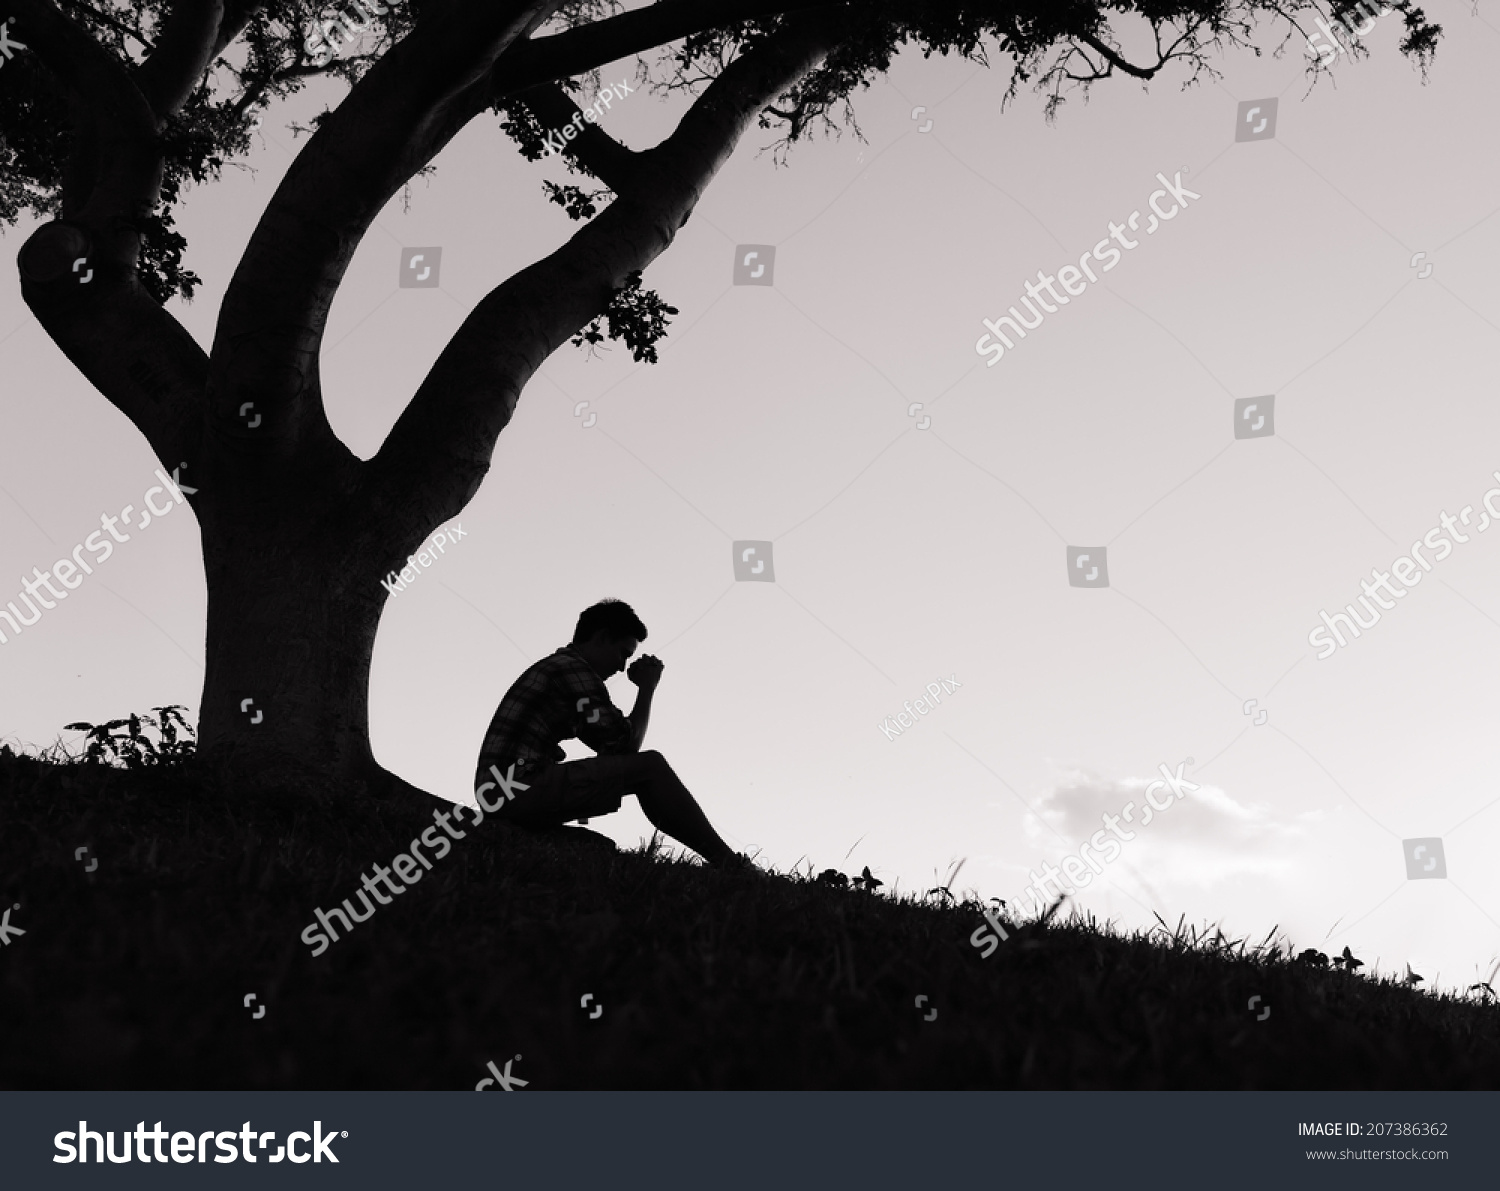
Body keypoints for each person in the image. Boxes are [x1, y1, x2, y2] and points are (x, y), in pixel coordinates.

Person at [474, 599, 747, 868]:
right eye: (623, 654)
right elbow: (626, 749)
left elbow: (610, 748)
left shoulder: (562, 669)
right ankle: (729, 864)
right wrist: (647, 688)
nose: (621, 667)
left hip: (503, 790)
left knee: (597, 840)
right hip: (516, 788)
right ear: (603, 637)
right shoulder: (573, 670)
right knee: (651, 767)